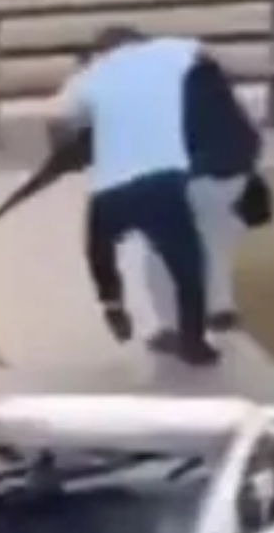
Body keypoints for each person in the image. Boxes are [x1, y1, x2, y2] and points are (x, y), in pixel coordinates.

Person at [56, 26, 217, 366]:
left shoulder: (91, 79)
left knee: (99, 249)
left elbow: (62, 119)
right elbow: (204, 53)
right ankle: (194, 339)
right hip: (162, 181)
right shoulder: (165, 61)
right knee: (187, 263)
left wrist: (69, 150)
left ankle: (113, 304)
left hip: (113, 186)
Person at [142, 42, 266, 342]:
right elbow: (246, 134)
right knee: (217, 236)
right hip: (234, 170)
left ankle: (172, 326)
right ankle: (220, 308)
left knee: (161, 249)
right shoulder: (208, 77)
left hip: (194, 173)